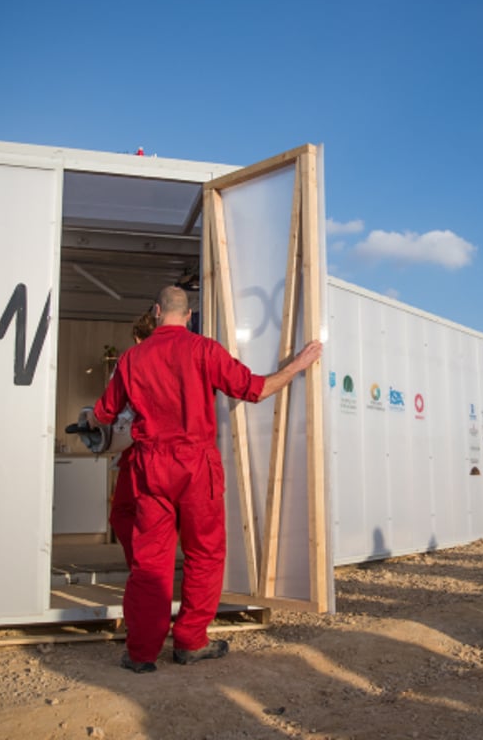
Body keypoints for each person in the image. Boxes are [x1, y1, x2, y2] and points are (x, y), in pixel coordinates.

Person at [91, 285, 322, 672]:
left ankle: (142, 653)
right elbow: (256, 389)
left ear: (156, 310)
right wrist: (296, 366)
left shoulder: (131, 359)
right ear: (190, 313)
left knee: (150, 563)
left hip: (150, 467)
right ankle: (190, 641)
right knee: (205, 554)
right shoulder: (204, 350)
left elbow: (104, 413)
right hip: (196, 466)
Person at [108, 307, 162, 568]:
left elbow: (112, 407)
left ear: (139, 339)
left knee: (123, 513)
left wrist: (96, 420)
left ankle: (142, 567)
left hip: (139, 449)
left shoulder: (131, 362)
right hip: (181, 451)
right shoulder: (178, 359)